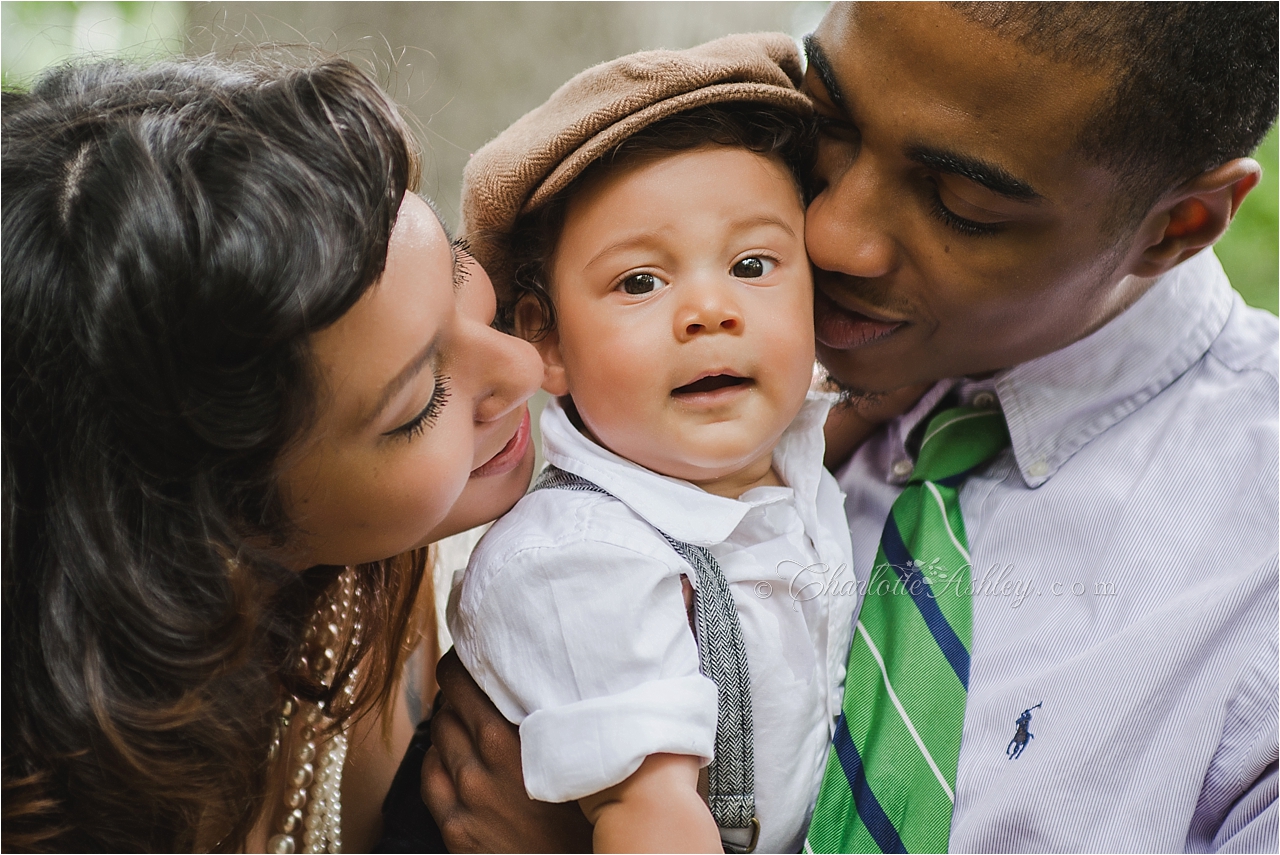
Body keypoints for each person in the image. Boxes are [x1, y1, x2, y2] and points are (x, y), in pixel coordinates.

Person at [420, 3, 1279, 852]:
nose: (829, 237)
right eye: (829, 122)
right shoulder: (710, 434)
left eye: (963, 201)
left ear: (1178, 227)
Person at [1, 55, 543, 852]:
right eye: (419, 402)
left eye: (458, 270)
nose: (524, 365)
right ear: (209, 537)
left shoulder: (379, 585)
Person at [449, 33, 864, 854]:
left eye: (752, 263)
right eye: (640, 281)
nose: (710, 310)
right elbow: (654, 818)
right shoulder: (582, 559)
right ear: (549, 342)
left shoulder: (792, 448)